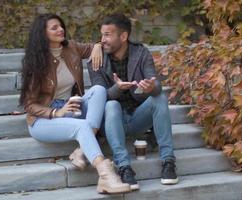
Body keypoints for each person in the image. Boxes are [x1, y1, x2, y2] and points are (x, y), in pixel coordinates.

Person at [19, 13, 130, 194]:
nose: (61, 29)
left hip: (71, 106)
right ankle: (105, 176)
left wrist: (95, 47)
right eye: (54, 28)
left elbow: (100, 44)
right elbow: (29, 105)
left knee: (99, 90)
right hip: (42, 120)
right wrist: (56, 112)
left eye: (61, 26)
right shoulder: (36, 62)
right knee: (82, 126)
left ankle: (81, 150)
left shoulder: (71, 47)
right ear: (42, 33)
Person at [88, 14, 178, 190]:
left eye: (107, 35)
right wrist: (117, 88)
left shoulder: (141, 53)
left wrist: (151, 87)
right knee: (111, 105)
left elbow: (156, 85)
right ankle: (124, 167)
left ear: (123, 36)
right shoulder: (96, 60)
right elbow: (98, 98)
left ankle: (168, 162)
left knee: (158, 98)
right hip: (111, 122)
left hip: (137, 118)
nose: (102, 40)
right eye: (102, 35)